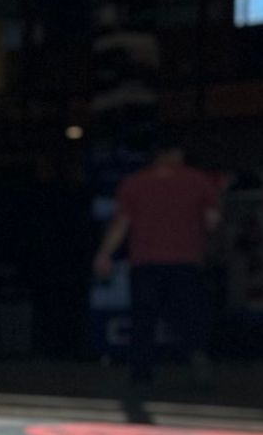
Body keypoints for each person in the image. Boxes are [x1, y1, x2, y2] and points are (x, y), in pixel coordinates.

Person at [93, 140, 222, 385]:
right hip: (185, 260)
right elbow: (212, 221)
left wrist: (105, 253)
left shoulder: (134, 183)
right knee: (188, 316)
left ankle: (141, 370)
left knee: (144, 317)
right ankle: (195, 356)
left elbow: (121, 224)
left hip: (145, 261)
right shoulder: (198, 181)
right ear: (177, 153)